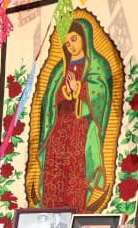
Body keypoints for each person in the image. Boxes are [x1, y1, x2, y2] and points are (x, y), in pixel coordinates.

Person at [31, 19, 116, 212]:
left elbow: (102, 93)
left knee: (76, 173)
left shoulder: (97, 64)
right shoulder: (60, 69)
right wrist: (65, 93)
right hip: (59, 128)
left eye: (74, 39)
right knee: (55, 172)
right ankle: (50, 215)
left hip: (81, 129)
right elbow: (49, 98)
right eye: (67, 43)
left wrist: (80, 89)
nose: (71, 46)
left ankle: (76, 216)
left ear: (85, 38)